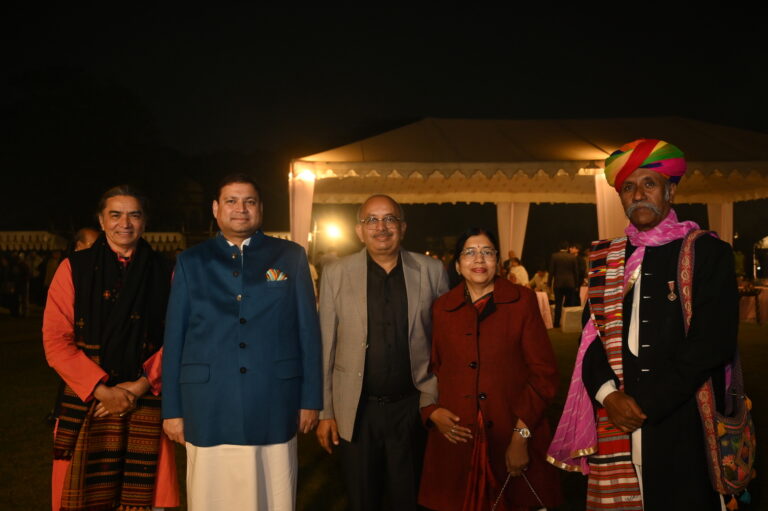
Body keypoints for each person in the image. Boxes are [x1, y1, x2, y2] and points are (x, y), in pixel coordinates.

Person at [547, 139, 738, 510]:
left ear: (671, 190)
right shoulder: (607, 257)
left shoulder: (708, 252)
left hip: (685, 420)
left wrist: (644, 404)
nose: (639, 195)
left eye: (649, 184)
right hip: (615, 418)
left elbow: (711, 343)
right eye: (628, 187)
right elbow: (592, 339)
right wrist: (609, 396)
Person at [162, 173, 322, 511]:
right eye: (232, 201)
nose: (241, 209)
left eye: (249, 201)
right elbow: (174, 338)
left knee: (273, 493)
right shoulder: (191, 261)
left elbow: (308, 331)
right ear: (216, 209)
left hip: (274, 398)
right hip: (208, 402)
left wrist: (311, 398)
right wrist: (172, 409)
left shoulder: (290, 256)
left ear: (261, 208)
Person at [42, 185, 178, 510]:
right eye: (115, 215)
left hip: (145, 398)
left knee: (146, 499)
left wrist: (140, 386)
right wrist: (103, 391)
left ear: (145, 222)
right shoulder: (73, 267)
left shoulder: (167, 271)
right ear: (102, 221)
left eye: (134, 214)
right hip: (88, 399)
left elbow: (180, 338)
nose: (124, 223)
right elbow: (55, 339)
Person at [316, 194, 449, 510]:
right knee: (362, 499)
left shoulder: (432, 271)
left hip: (412, 407)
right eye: (371, 220)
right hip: (357, 410)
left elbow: (446, 343)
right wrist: (326, 411)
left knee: (411, 498)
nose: (381, 227)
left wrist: (438, 399)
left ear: (402, 227)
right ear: (359, 230)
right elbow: (325, 345)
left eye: (389, 218)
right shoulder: (336, 273)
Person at [419, 228, 561, 511]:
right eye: (469, 252)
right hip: (456, 434)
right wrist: (430, 412)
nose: (479, 258)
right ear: (458, 266)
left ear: (498, 261)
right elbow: (431, 368)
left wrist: (521, 436)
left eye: (487, 252)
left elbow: (544, 374)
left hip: (511, 429)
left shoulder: (521, 301)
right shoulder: (442, 308)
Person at [548, 241, 580, 327]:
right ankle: (569, 323)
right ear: (567, 248)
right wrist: (577, 285)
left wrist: (548, 284)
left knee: (558, 304)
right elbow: (576, 272)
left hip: (558, 284)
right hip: (570, 283)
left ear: (559, 247)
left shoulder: (554, 256)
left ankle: (556, 323)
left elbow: (551, 272)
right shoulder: (572, 257)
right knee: (569, 304)